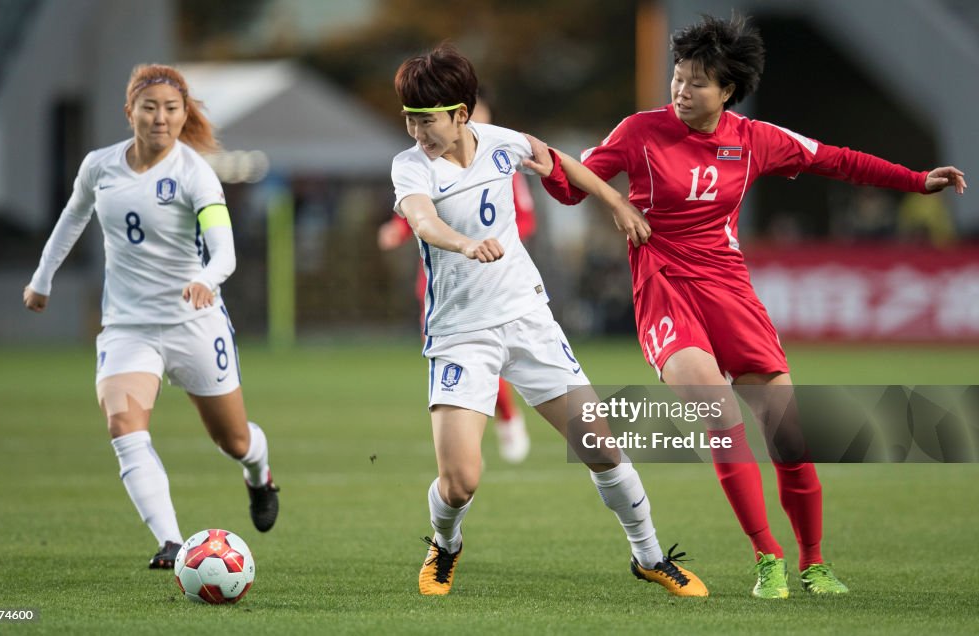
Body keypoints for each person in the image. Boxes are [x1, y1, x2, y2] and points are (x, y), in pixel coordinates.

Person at [528, 13, 967, 599]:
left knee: (788, 435)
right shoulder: (639, 130)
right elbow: (571, 184)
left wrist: (916, 181)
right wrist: (550, 166)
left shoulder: (754, 139)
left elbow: (834, 159)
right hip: (665, 289)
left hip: (730, 291)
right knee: (721, 420)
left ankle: (814, 562)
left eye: (697, 83)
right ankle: (770, 560)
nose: (682, 91)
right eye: (678, 78)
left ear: (728, 90)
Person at [391, 44, 707, 598]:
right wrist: (465, 243)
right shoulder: (411, 166)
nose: (418, 131)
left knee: (602, 447)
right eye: (410, 120)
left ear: (461, 114)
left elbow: (562, 161)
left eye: (428, 119)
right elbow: (421, 221)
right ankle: (446, 544)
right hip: (461, 334)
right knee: (460, 482)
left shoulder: (502, 143)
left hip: (527, 320)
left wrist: (614, 201)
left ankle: (650, 555)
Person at [23, 63, 281, 569]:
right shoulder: (99, 166)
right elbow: (73, 217)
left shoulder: (195, 174)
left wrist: (206, 281)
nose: (160, 118)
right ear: (130, 112)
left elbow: (223, 251)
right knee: (124, 424)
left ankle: (260, 475)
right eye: (150, 107)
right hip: (128, 326)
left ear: (184, 115)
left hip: (193, 322)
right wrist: (42, 278)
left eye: (171, 108)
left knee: (234, 440)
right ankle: (171, 541)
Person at [378, 94, 534, 464]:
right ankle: (472, 442)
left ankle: (507, 418)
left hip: (493, 281)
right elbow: (417, 213)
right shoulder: (422, 165)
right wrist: (396, 232)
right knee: (458, 360)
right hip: (443, 287)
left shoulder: (500, 161)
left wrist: (496, 239)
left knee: (491, 357)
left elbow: (526, 218)